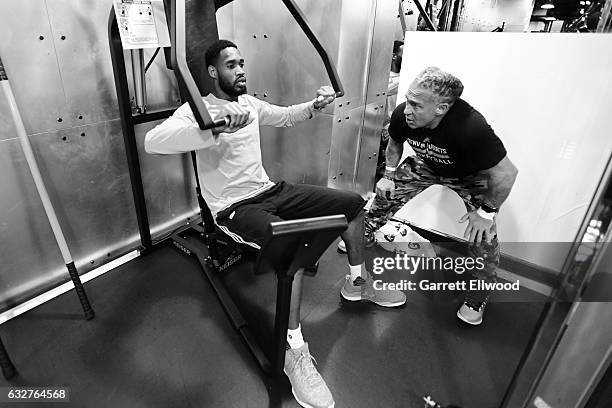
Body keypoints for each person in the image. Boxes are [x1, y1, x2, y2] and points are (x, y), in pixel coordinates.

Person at [144, 39, 406, 408]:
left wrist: (314, 106)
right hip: (234, 207)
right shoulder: (198, 110)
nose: (241, 70)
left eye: (242, 62)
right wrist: (213, 128)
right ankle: (294, 352)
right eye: (231, 64)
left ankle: (357, 282)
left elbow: (283, 116)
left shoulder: (249, 104)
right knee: (292, 252)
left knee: (352, 205)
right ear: (213, 72)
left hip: (272, 190)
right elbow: (153, 143)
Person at [367, 66, 518, 326]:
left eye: (416, 104)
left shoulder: (471, 127)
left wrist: (486, 212)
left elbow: (506, 173)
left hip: (469, 175)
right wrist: (388, 175)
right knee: (384, 196)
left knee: (483, 233)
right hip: (427, 165)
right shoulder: (405, 114)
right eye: (408, 100)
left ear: (441, 108)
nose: (407, 109)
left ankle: (478, 296)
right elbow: (394, 142)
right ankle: (363, 235)